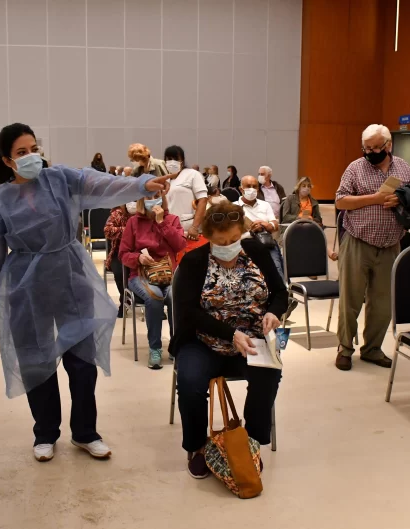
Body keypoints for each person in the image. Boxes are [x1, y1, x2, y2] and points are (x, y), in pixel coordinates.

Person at [0, 123, 172, 462]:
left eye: (34, 149)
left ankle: (85, 432)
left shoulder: (59, 179)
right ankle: (45, 433)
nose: (31, 156)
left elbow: (101, 184)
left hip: (70, 276)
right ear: (7, 161)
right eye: (22, 152)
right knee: (36, 360)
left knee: (82, 361)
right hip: (26, 286)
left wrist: (140, 185)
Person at [169, 202, 287, 479]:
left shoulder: (256, 251)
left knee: (269, 375)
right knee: (190, 382)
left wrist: (273, 312)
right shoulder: (194, 261)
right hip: (203, 341)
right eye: (221, 242)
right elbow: (188, 312)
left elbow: (280, 292)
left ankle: (251, 442)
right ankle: (198, 447)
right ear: (208, 237)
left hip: (251, 341)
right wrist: (230, 334)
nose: (229, 246)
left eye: (234, 239)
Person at [334, 124, 410, 371]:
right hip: (357, 242)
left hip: (390, 244)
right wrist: (375, 198)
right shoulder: (355, 168)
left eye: (375, 148)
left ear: (388, 145)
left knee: (382, 303)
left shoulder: (404, 168)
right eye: (367, 148)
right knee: (350, 299)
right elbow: (340, 201)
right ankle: (344, 348)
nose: (370, 152)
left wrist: (403, 198)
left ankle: (372, 349)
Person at [119, 191, 185, 369]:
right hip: (140, 274)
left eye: (156, 196)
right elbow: (123, 254)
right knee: (155, 296)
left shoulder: (172, 220)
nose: (152, 200)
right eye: (148, 197)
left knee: (175, 297)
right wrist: (138, 258)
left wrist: (162, 222)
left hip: (169, 274)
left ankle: (176, 345)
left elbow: (180, 245)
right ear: (142, 199)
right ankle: (155, 348)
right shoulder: (133, 222)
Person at [237, 175, 284, 278]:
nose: (252, 189)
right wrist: (252, 231)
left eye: (254, 186)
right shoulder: (234, 207)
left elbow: (275, 225)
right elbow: (231, 234)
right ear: (241, 189)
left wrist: (266, 224)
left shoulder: (265, 205)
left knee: (277, 272)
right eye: (248, 186)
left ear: (258, 189)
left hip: (266, 244)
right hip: (244, 247)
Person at [164, 144, 208, 241]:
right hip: (169, 230)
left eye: (176, 159)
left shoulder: (193, 174)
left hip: (188, 229)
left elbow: (203, 200)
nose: (172, 162)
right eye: (169, 159)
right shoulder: (166, 180)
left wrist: (195, 227)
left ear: (182, 161)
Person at [104, 202, 134, 318]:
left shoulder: (142, 214)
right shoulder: (116, 214)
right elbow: (107, 231)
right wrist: (127, 230)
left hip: (137, 251)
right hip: (118, 252)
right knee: (119, 272)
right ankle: (124, 299)